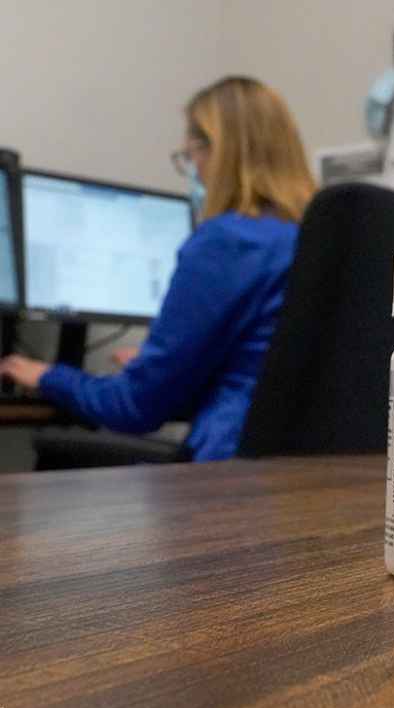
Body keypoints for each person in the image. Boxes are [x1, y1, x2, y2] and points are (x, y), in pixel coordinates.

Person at [0, 76, 317, 462]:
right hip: (304, 478)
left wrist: (47, 376)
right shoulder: (310, 239)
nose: (195, 172)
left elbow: (135, 407)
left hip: (229, 477)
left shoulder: (228, 241)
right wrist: (161, 366)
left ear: (221, 152)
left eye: (192, 155)